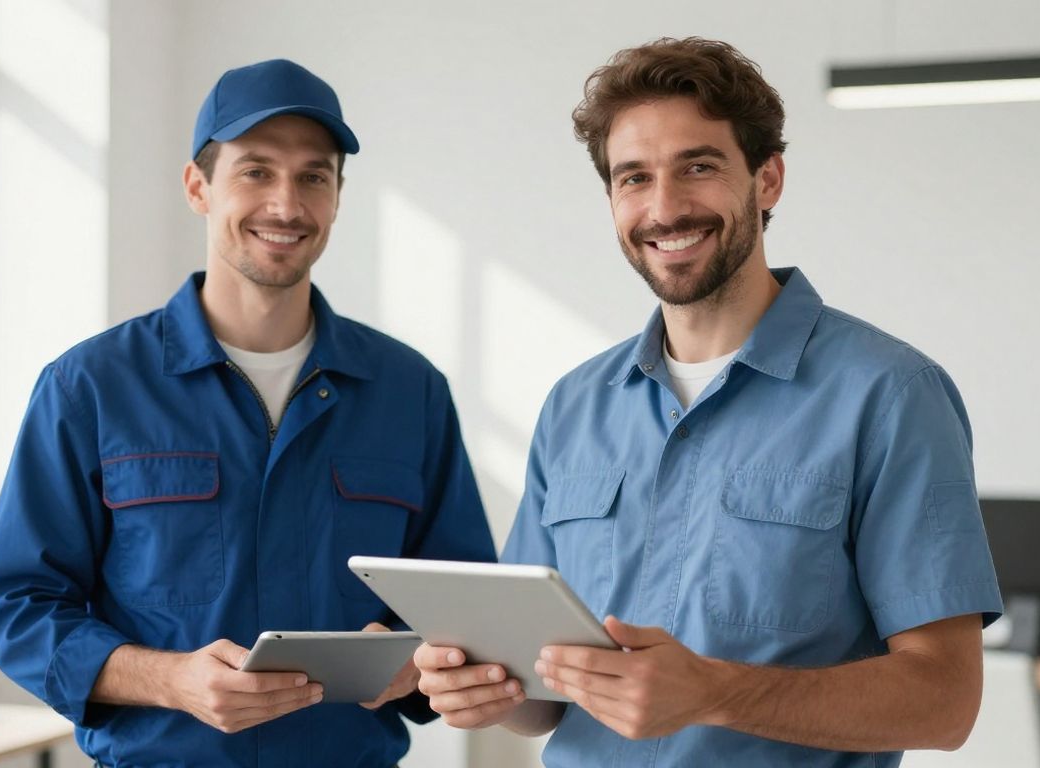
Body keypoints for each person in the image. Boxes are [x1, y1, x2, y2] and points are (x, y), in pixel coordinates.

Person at [413, 37, 1002, 767]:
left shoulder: (890, 395)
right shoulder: (574, 407)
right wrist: (491, 691)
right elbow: (542, 695)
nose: (664, 208)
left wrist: (716, 692)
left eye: (697, 166)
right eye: (634, 178)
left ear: (768, 180)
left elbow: (945, 701)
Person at [0, 59, 496, 766]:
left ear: (338, 198)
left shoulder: (411, 392)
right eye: (255, 171)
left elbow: (464, 605)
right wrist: (169, 680)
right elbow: (20, 606)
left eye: (314, 176)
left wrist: (414, 660)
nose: (286, 203)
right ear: (199, 187)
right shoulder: (89, 387)